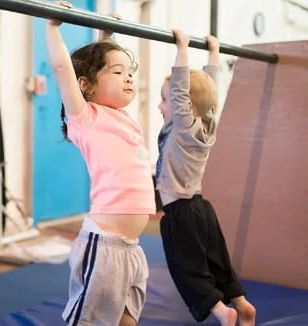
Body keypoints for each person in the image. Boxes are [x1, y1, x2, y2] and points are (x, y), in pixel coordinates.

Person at [46, 3, 156, 325]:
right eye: (118, 72)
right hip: (104, 245)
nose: (128, 79)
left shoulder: (124, 119)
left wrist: (103, 31)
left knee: (127, 317)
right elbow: (64, 71)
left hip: (132, 248)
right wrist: (53, 28)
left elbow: (98, 65)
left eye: (130, 73)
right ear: (86, 86)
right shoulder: (85, 118)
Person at [156, 29, 256, 326]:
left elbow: (180, 90)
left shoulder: (183, 128)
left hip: (180, 212)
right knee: (216, 261)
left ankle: (222, 311)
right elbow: (212, 93)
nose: (162, 105)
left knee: (188, 269)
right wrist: (214, 52)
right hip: (202, 209)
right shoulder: (208, 124)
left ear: (182, 105)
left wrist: (183, 49)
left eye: (164, 100)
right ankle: (240, 301)